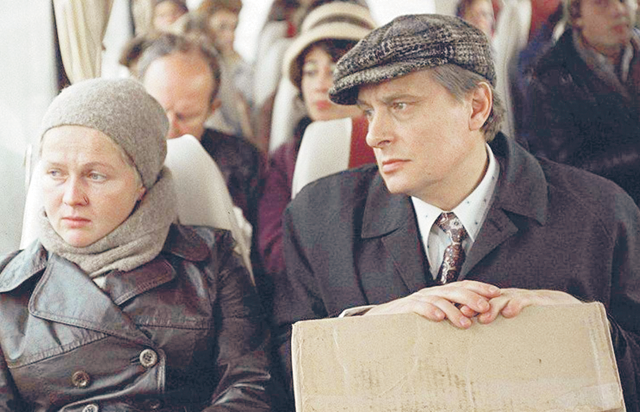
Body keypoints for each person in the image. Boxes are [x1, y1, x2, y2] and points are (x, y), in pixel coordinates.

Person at [272, 14, 640, 408]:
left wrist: (586, 329)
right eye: (369, 112)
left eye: (400, 106)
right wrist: (367, 330)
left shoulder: (600, 215)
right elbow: (283, 371)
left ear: (476, 107)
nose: (375, 136)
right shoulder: (316, 219)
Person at [0, 78, 275, 411]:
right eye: (55, 173)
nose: (71, 197)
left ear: (141, 183)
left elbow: (251, 387)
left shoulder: (211, 260)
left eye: (96, 175)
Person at [257, 2, 374, 296]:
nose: (320, 85)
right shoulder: (285, 158)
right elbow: (274, 253)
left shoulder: (393, 147)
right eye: (310, 72)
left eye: (335, 70)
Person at [138, 34, 265, 234]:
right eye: (158, 112)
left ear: (212, 110)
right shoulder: (115, 159)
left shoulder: (244, 163)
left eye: (187, 116)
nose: (169, 129)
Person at [524, 0, 640, 203]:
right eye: (602, 3)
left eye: (624, 0)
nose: (619, 10)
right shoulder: (551, 77)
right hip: (607, 205)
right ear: (577, 16)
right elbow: (566, 168)